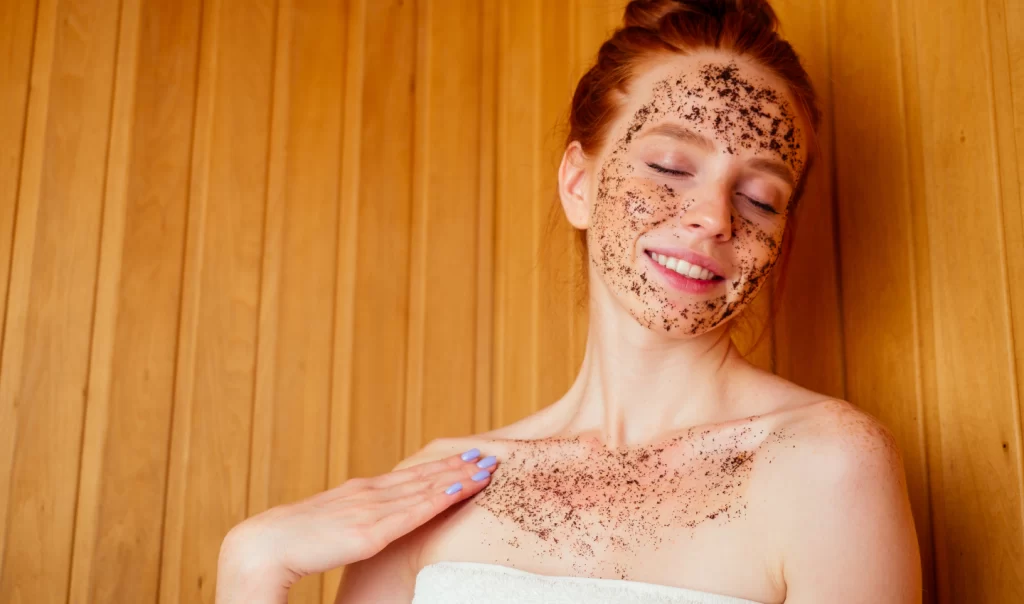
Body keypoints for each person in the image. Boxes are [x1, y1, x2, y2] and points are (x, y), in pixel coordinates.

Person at [216, 1, 923, 602]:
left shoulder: (825, 465)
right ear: (579, 184)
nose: (714, 216)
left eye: (759, 198)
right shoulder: (435, 486)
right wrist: (253, 565)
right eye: (671, 167)